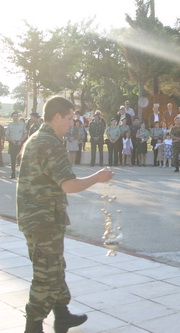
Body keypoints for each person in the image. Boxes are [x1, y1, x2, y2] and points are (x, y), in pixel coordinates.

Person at [17, 96, 114, 333]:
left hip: (41, 218)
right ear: (57, 116)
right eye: (70, 119)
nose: (72, 123)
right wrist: (97, 177)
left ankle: (61, 315)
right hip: (43, 220)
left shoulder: (38, 138)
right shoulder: (49, 142)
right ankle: (33, 326)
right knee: (45, 274)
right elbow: (68, 185)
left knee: (55, 267)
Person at [6, 111, 28, 179]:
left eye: (16, 116)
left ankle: (21, 174)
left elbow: (25, 133)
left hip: (19, 143)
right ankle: (13, 174)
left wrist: (21, 141)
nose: (15, 118)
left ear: (18, 117)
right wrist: (12, 141)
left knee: (20, 159)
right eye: (14, 116)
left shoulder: (22, 124)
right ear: (12, 117)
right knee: (13, 159)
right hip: (12, 143)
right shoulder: (10, 125)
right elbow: (7, 134)